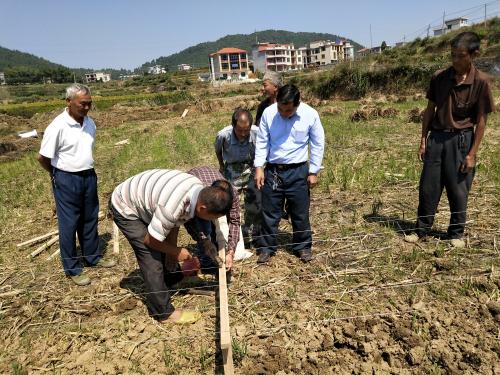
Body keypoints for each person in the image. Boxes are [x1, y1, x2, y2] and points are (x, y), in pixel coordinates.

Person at [405, 31, 495, 248]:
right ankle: (421, 229)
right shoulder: (439, 77)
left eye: (460, 55)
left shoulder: (481, 82)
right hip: (436, 138)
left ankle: (455, 232)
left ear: (474, 54)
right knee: (428, 187)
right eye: (452, 55)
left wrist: (472, 153)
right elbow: (429, 110)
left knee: (458, 188)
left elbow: (481, 121)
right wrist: (423, 139)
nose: (455, 60)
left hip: (462, 140)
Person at [109, 169, 233, 324]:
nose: (212, 220)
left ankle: (173, 280)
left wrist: (204, 242)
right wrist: (176, 251)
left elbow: (175, 222)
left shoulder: (198, 190)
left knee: (165, 248)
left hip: (145, 199)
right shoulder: (172, 206)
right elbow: (150, 240)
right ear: (202, 209)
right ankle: (164, 313)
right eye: (213, 217)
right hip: (125, 207)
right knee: (151, 257)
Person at [37, 83, 115, 286]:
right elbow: (43, 158)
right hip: (66, 178)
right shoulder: (57, 126)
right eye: (82, 104)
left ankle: (92, 257)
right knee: (69, 223)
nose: (87, 108)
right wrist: (57, 175)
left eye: (90, 104)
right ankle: (72, 268)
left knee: (90, 218)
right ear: (69, 102)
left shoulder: (90, 123)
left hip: (88, 176)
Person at [254, 84, 325, 264]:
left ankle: (302, 246)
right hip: (273, 170)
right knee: (270, 212)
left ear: (297, 103)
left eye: (289, 110)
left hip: (298, 171)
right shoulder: (269, 114)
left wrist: (314, 171)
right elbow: (262, 141)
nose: (284, 113)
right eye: (281, 109)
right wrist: (259, 167)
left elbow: (317, 144)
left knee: (300, 212)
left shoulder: (310, 115)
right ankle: (267, 248)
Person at [185, 166, 252, 272]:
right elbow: (190, 220)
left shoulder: (232, 194)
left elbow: (234, 221)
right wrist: (204, 240)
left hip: (209, 176)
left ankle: (213, 248)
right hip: (196, 179)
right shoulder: (202, 196)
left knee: (210, 224)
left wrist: (231, 251)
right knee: (204, 225)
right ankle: (207, 260)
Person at [215, 108, 261, 245]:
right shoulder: (223, 134)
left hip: (251, 167)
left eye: (246, 130)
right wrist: (222, 166)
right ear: (233, 125)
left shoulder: (257, 132)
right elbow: (218, 150)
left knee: (255, 202)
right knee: (231, 203)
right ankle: (234, 237)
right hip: (232, 169)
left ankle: (253, 234)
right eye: (239, 130)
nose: (242, 134)